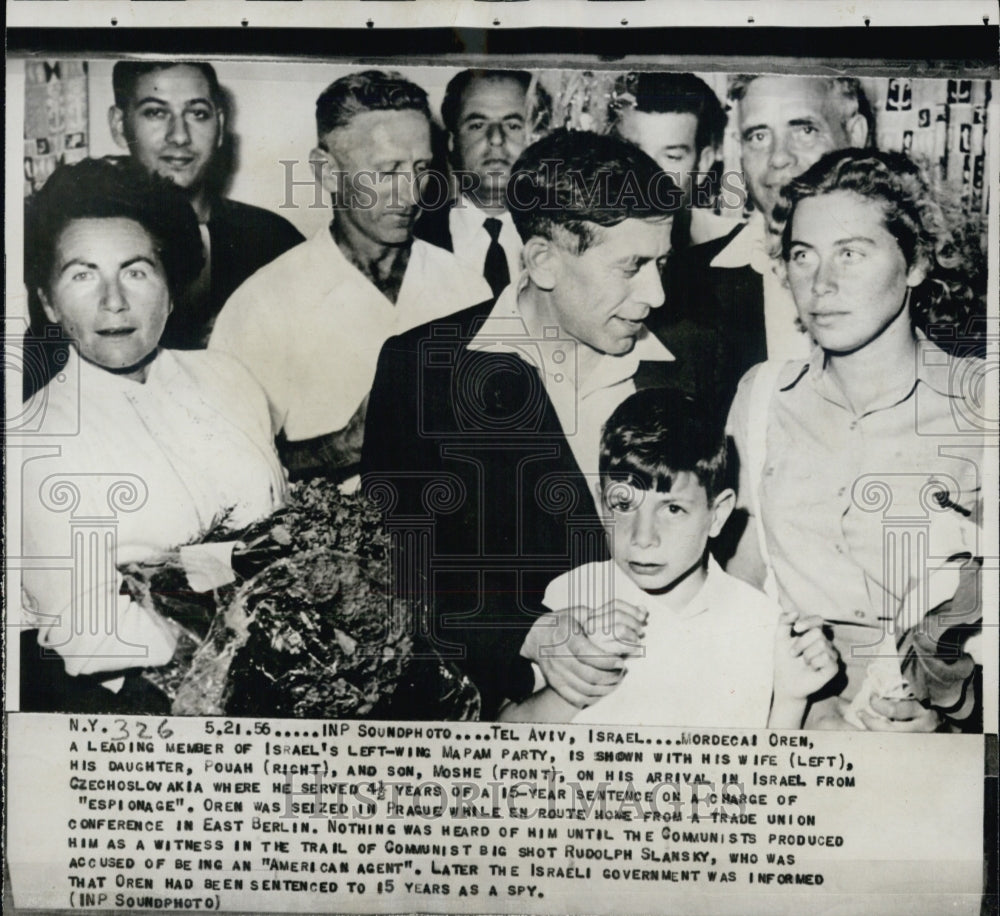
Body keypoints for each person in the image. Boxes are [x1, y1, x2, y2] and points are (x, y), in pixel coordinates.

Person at [362, 129, 701, 717]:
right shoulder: (420, 370)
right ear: (543, 260)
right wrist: (526, 630)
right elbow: (391, 576)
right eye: (633, 266)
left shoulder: (694, 365)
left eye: (664, 263)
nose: (657, 293)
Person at [726, 148, 985, 732]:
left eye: (851, 253)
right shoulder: (763, 396)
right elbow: (738, 585)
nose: (821, 284)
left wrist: (960, 710)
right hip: (791, 729)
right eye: (802, 256)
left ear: (916, 262)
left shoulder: (980, 411)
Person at [19, 157, 287, 713]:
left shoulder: (228, 377)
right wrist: (245, 620)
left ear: (170, 288)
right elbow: (83, 633)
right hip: (150, 708)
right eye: (82, 274)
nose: (113, 301)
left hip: (288, 670)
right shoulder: (32, 441)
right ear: (48, 301)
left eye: (136, 270)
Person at [498, 389, 839, 727]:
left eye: (673, 508)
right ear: (602, 504)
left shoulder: (760, 622)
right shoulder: (570, 597)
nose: (643, 537)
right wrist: (583, 678)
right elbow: (505, 733)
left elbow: (764, 772)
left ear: (717, 515)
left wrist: (791, 699)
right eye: (623, 505)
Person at [210, 70, 490, 481]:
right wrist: (346, 445)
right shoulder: (263, 305)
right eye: (387, 171)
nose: (411, 193)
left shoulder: (466, 287)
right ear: (327, 172)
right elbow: (224, 468)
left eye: (421, 168)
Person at [659, 74, 873, 407]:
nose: (778, 157)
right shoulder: (676, 286)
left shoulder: (923, 283)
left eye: (804, 130)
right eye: (758, 136)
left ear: (855, 135)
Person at [108, 61, 304, 349]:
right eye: (155, 112)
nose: (179, 136)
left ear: (220, 126)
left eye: (198, 114)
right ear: (119, 126)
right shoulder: (85, 241)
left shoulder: (272, 239)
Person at [415, 69, 551, 298]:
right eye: (477, 125)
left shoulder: (566, 239)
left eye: (513, 125)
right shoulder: (412, 238)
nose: (496, 138)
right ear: (452, 141)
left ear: (539, 137)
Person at [607, 71, 734, 249]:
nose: (646, 177)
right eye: (632, 152)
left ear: (702, 165)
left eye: (672, 157)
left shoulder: (739, 252)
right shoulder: (579, 249)